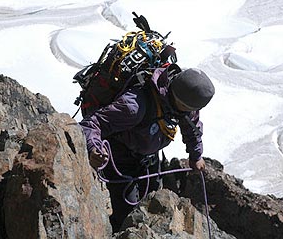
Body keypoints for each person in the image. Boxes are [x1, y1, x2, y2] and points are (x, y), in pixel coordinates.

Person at [79, 64, 215, 233]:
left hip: (149, 158)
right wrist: (94, 149)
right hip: (121, 160)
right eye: (190, 109)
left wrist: (196, 156)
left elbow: (191, 127)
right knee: (127, 216)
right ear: (181, 102)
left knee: (153, 204)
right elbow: (93, 123)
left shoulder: (183, 102)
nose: (193, 112)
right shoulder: (134, 106)